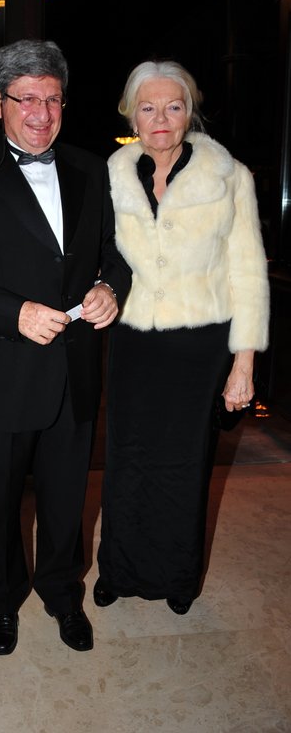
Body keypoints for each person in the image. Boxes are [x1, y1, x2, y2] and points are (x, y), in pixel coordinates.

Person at [0, 39, 132, 655]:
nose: (42, 113)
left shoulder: (92, 169)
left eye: (52, 99)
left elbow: (115, 252)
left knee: (68, 496)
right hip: (3, 368)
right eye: (26, 99)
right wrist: (13, 312)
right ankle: (0, 601)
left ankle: (63, 593)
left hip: (76, 366)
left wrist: (110, 288)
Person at [93, 59, 270, 617]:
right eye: (148, 108)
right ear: (132, 116)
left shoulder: (230, 176)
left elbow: (248, 272)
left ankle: (177, 575)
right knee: (127, 459)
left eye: (173, 106)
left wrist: (243, 364)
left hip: (200, 345)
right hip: (133, 342)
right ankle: (118, 570)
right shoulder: (111, 174)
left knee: (185, 463)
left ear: (189, 112)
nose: (160, 119)